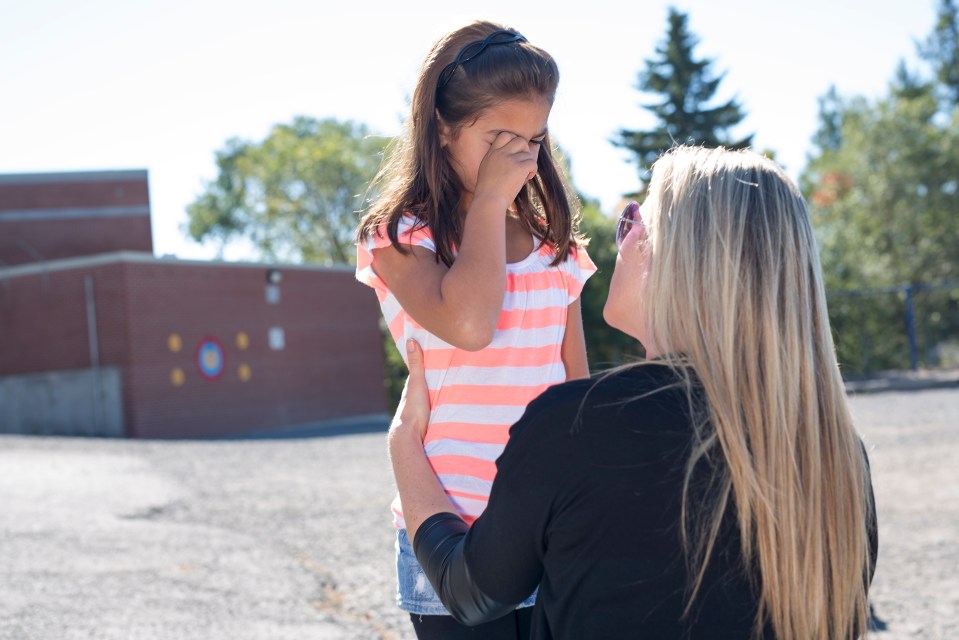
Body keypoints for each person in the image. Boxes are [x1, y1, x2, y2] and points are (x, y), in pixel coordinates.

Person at [390, 145, 879, 639]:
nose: (619, 242)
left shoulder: (577, 426)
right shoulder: (834, 456)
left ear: (673, 257)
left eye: (632, 220)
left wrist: (405, 445)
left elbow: (469, 594)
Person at [354, 19, 595, 639]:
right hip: (448, 538)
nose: (519, 155)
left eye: (534, 138)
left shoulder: (556, 250)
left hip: (551, 536)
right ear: (441, 128)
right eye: (498, 139)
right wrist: (489, 203)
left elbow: (576, 387)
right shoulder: (400, 239)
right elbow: (470, 323)